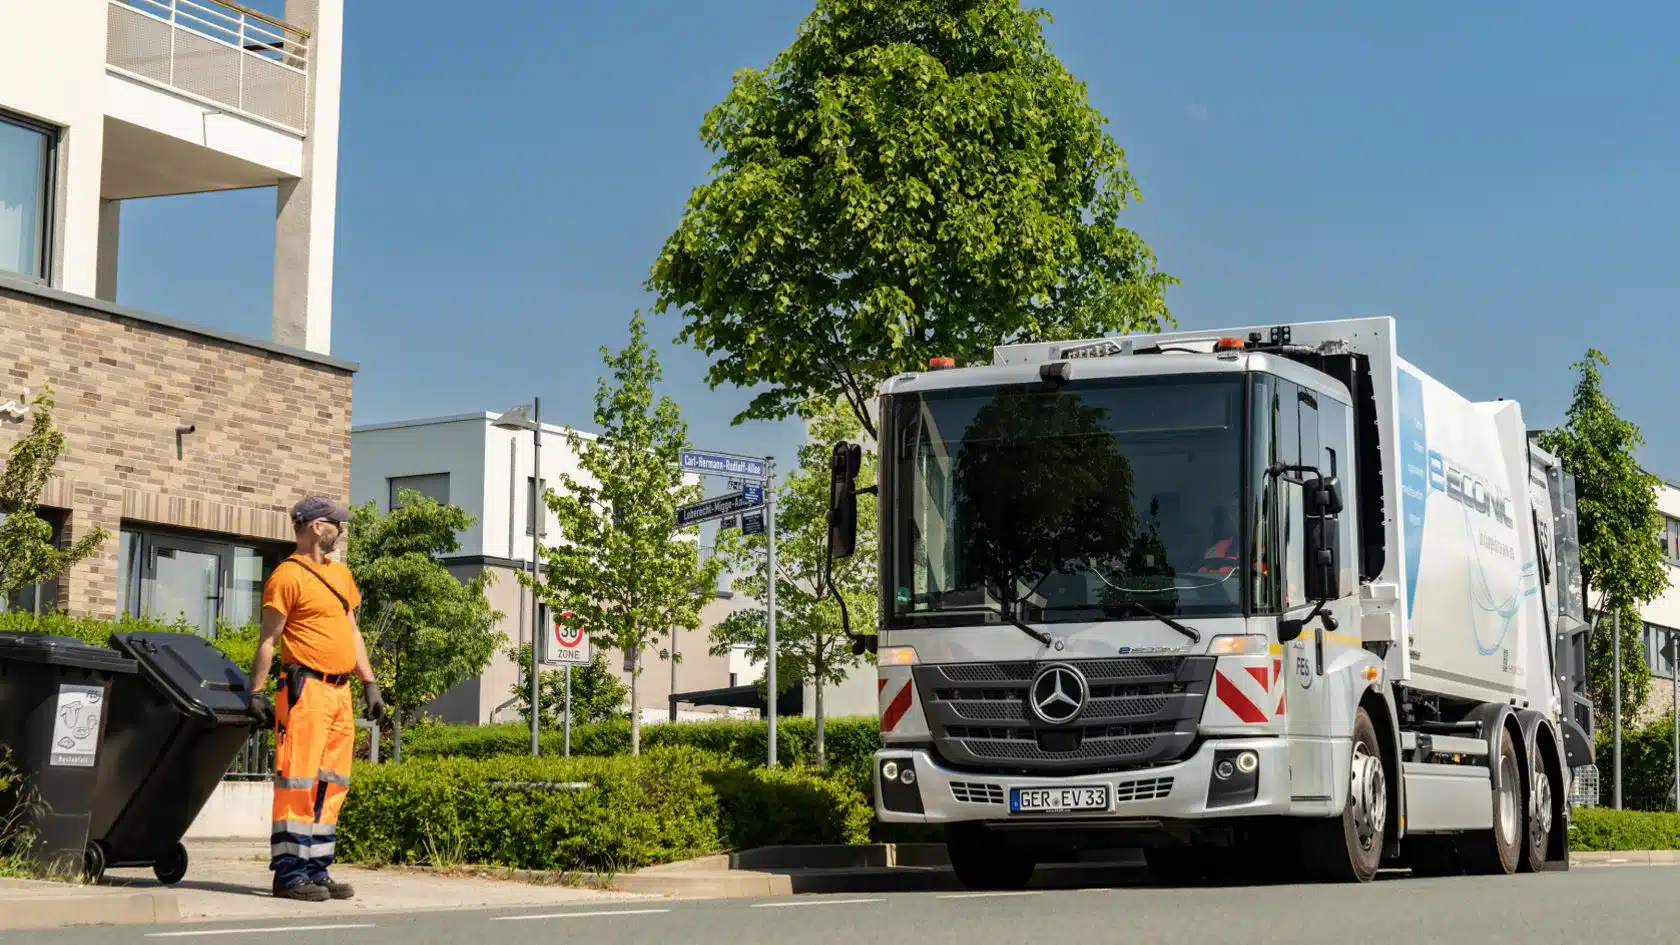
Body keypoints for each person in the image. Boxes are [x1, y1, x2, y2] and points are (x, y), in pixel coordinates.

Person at [248, 496, 385, 902]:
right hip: (305, 691)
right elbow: (269, 639)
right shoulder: (286, 577)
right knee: (298, 783)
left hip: (340, 692)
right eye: (335, 524)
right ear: (313, 527)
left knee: (331, 783)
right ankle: (289, 875)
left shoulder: (341, 576)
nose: (340, 530)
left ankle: (317, 869)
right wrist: (255, 692)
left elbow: (352, 633)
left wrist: (369, 682)